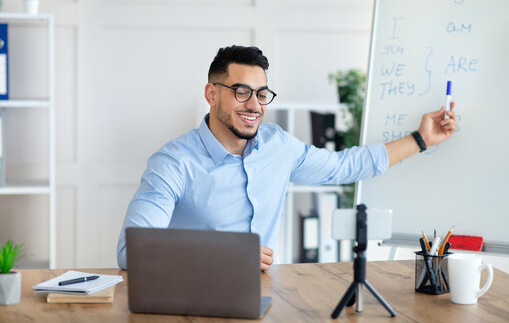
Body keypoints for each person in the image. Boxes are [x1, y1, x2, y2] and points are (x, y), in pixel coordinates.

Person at [117, 45, 457, 271]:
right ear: (211, 93)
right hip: (188, 300)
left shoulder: (278, 145)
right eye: (241, 92)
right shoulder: (173, 162)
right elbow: (131, 252)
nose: (254, 105)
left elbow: (344, 166)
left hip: (261, 296)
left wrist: (421, 138)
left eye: (261, 94)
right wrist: (226, 254)